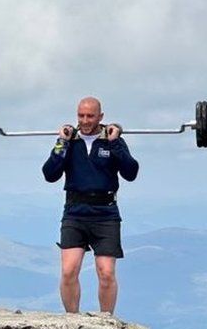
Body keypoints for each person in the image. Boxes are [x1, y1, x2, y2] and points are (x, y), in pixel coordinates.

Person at [42, 96, 139, 314]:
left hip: (105, 214)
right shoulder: (69, 141)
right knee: (68, 271)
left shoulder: (112, 141)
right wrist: (61, 143)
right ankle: (72, 321)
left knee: (106, 273)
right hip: (75, 212)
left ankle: (106, 320)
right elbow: (49, 174)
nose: (85, 121)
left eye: (90, 116)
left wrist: (115, 143)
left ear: (100, 117)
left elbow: (131, 172)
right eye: (81, 115)